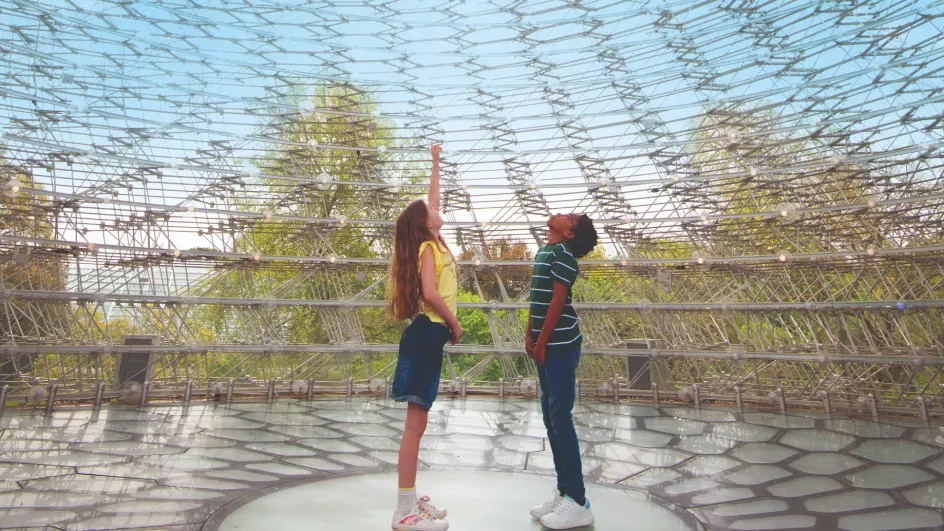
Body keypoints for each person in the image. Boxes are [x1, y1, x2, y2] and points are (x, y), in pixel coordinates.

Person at [387, 141, 461, 531]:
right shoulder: (429, 248)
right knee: (414, 426)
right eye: (432, 211)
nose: (438, 208)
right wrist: (454, 322)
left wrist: (435, 163)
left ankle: (411, 499)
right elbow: (431, 294)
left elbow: (432, 199)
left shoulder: (432, 241)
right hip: (427, 332)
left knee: (419, 423)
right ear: (426, 223)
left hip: (427, 335)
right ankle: (403, 512)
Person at [526, 213, 598, 530]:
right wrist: (530, 333)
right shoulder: (545, 251)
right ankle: (563, 492)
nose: (560, 213)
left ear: (568, 233)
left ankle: (579, 501)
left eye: (568, 217)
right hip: (545, 343)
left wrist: (541, 343)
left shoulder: (565, 257)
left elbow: (557, 302)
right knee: (550, 415)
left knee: (560, 416)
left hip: (561, 346)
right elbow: (537, 300)